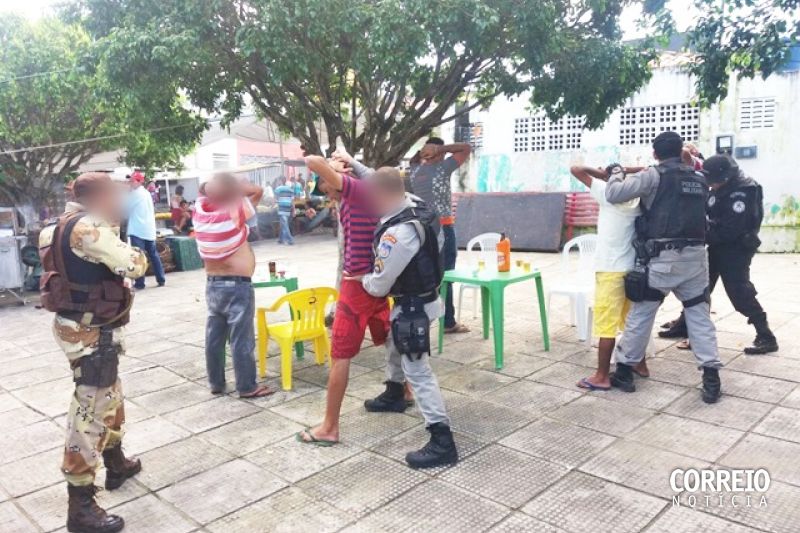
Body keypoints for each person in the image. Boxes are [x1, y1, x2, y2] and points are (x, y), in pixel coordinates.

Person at [39, 172, 148, 533]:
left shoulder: (54, 227)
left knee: (110, 395)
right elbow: (134, 264)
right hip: (90, 331)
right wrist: (116, 230)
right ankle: (81, 505)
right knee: (90, 410)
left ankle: (116, 462)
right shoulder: (89, 227)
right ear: (99, 195)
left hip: (76, 324)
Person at [605, 131, 723, 403]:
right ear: (681, 150)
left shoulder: (652, 175)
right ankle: (711, 376)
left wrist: (615, 171)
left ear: (655, 154)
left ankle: (624, 371)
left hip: (662, 260)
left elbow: (613, 193)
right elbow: (694, 164)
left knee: (642, 313)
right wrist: (689, 157)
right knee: (699, 317)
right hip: (695, 259)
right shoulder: (700, 178)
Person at [356, 167, 458, 468]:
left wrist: (360, 278)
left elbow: (379, 284)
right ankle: (394, 393)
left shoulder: (398, 234)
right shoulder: (414, 204)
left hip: (412, 308)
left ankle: (442, 439)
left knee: (419, 373)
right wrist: (352, 161)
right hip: (424, 299)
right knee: (393, 345)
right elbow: (380, 176)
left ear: (382, 194)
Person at [297, 155, 390, 446]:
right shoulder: (355, 196)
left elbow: (310, 160)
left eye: (326, 185)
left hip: (357, 286)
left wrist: (335, 162)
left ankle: (329, 427)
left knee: (340, 355)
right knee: (391, 338)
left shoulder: (357, 190)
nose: (326, 192)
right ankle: (405, 389)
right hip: (372, 281)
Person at [658, 155, 778, 354]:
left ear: (726, 177)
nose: (710, 185)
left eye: (713, 181)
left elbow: (731, 229)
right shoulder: (720, 185)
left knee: (739, 291)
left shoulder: (744, 191)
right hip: (716, 245)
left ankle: (765, 335)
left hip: (735, 249)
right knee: (700, 288)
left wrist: (698, 233)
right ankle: (684, 324)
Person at [569, 163, 649, 390]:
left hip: (609, 270)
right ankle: (639, 365)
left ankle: (602, 375)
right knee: (631, 322)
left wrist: (609, 172)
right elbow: (646, 171)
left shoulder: (607, 195)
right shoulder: (639, 201)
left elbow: (576, 169)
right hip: (633, 269)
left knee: (606, 325)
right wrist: (627, 172)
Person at [193, 173, 273, 398]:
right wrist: (238, 184)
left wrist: (214, 185)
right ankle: (247, 386)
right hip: (237, 286)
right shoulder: (232, 213)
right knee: (241, 339)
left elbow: (203, 190)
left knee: (214, 338)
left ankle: (216, 383)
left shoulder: (200, 212)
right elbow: (257, 190)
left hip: (213, 285)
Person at [410, 137, 471, 334]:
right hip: (443, 228)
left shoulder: (415, 170)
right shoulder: (441, 169)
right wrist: (440, 148)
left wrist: (425, 151)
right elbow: (466, 148)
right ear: (438, 153)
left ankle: (422, 316)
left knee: (426, 273)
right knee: (447, 274)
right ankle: (448, 321)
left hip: (422, 229)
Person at [126, 170, 166, 289]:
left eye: (132, 181)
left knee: (139, 257)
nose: (130, 183)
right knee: (153, 255)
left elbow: (124, 208)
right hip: (148, 229)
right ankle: (161, 279)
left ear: (139, 182)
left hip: (138, 230)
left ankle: (140, 283)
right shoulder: (146, 193)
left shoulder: (135, 194)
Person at [274, 177, 302, 244]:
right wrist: (294, 210)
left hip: (282, 208)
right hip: (288, 208)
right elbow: (292, 201)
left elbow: (275, 198)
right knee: (282, 224)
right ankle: (281, 239)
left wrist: (275, 203)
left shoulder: (278, 188)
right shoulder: (291, 190)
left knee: (285, 225)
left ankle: (290, 240)